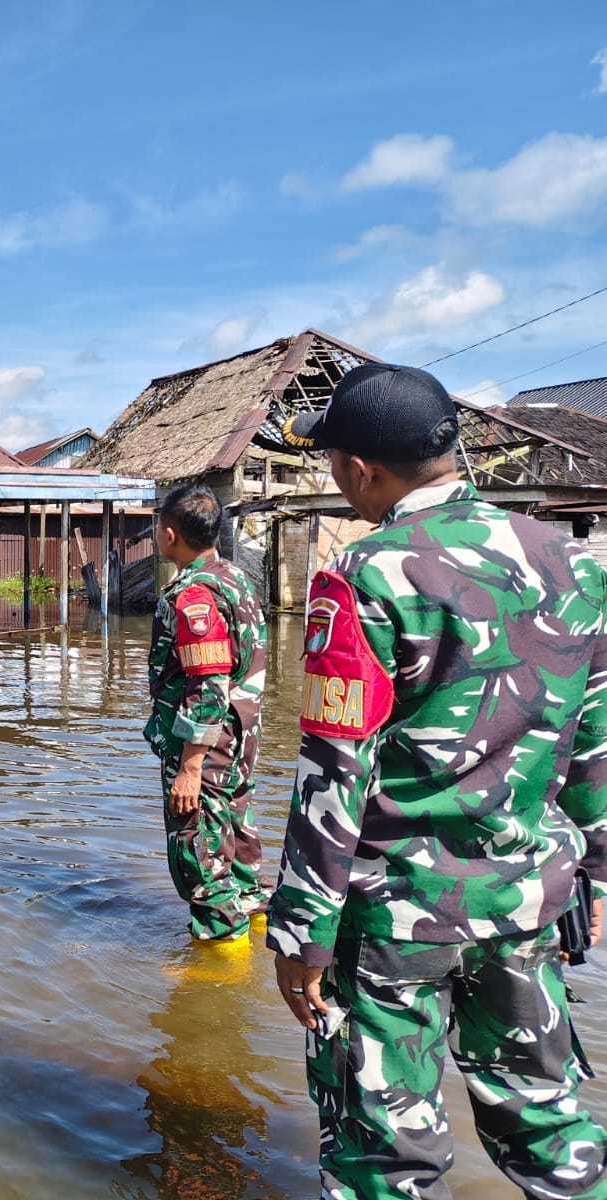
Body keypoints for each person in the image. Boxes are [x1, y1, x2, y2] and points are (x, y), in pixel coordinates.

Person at [268, 363, 607, 1199]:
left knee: (386, 1154)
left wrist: (300, 933)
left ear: (357, 470)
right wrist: (593, 869)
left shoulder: (366, 576)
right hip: (532, 892)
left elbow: (333, 772)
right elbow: (594, 736)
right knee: (549, 1121)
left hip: (397, 916)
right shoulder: (573, 562)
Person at [145, 482, 271, 945]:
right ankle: (254, 925)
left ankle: (218, 971)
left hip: (208, 746)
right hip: (240, 737)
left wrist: (190, 767)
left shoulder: (195, 595)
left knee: (198, 849)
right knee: (235, 838)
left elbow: (208, 683)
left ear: (170, 534)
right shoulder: (235, 578)